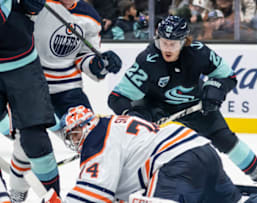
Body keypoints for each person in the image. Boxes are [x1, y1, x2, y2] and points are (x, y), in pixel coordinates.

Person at [108, 15, 257, 184]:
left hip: (196, 105)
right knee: (148, 149)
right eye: (163, 42)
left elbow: (228, 76)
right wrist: (134, 115)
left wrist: (215, 88)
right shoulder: (148, 61)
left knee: (226, 139)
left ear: (184, 42)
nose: (167, 48)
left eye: (172, 44)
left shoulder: (199, 53)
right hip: (157, 111)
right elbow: (116, 98)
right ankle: (134, 183)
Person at [7, 0, 122, 202]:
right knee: (27, 144)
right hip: (31, 84)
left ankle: (96, 190)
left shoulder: (89, 15)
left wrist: (99, 64)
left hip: (69, 91)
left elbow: (84, 56)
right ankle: (17, 195)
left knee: (91, 138)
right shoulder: (38, 5)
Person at [44, 105, 242, 202]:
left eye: (75, 133)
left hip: (176, 164)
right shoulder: (115, 124)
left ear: (86, 125)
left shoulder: (96, 139)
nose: (74, 141)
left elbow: (93, 194)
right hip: (203, 150)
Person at [0, 0, 60, 198]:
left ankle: (53, 197)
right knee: (12, 129)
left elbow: (33, 7)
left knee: (35, 141)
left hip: (22, 63)